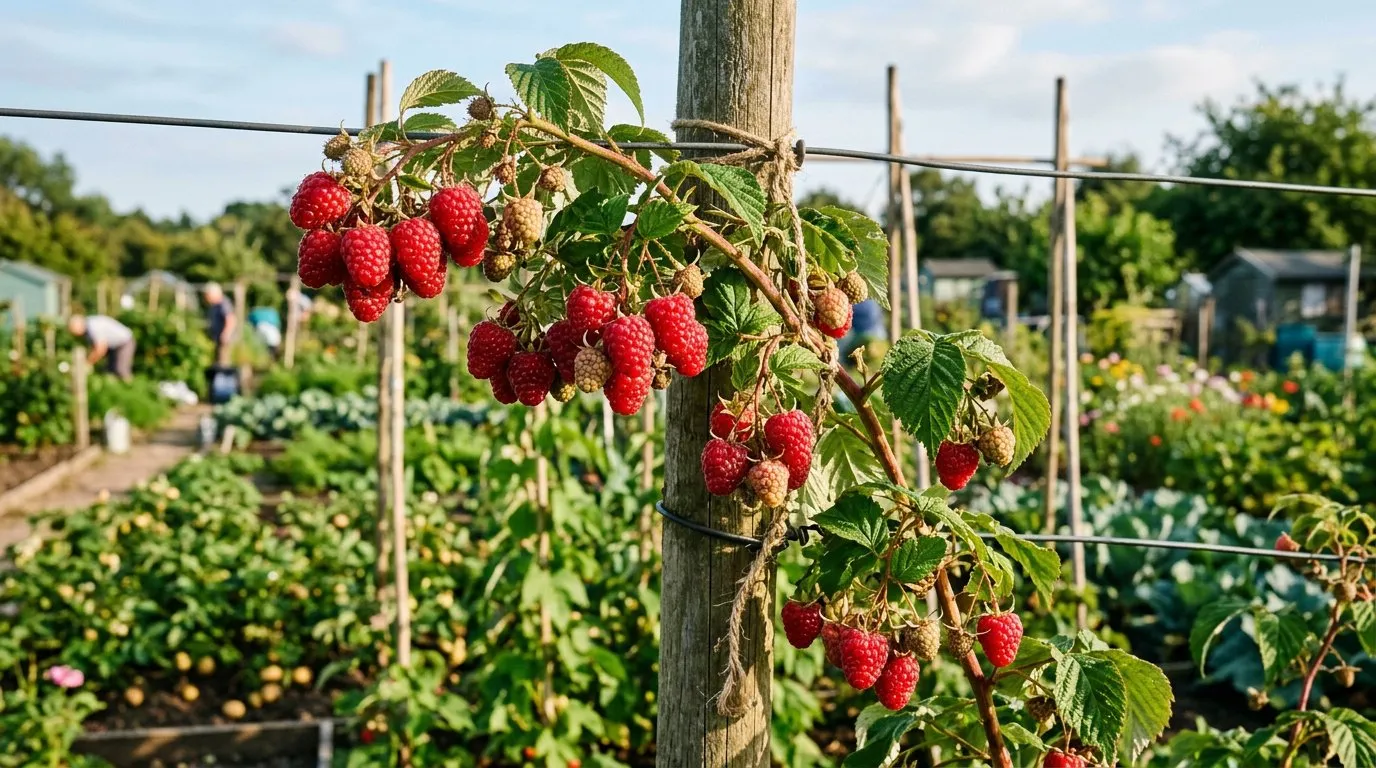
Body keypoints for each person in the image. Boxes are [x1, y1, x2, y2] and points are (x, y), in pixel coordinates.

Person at [67, 314, 136, 381]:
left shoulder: (93, 326)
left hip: (124, 342)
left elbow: (100, 349)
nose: (76, 335)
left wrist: (88, 363)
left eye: (74, 330)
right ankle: (116, 390)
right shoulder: (89, 325)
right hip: (113, 346)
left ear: (79, 325)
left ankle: (130, 388)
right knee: (110, 371)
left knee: (121, 370)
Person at [203, 282, 237, 366]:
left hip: (224, 340)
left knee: (223, 362)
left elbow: (231, 319)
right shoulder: (215, 305)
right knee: (217, 362)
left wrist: (226, 334)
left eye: (208, 295)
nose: (206, 298)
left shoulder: (223, 304)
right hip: (217, 339)